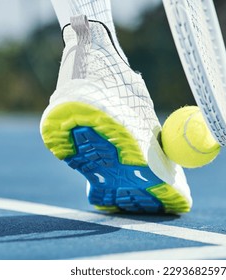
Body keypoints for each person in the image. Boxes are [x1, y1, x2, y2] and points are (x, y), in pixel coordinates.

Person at [40, 0, 192, 214]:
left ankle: (84, 52)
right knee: (90, 33)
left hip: (79, 64)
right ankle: (98, 53)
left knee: (83, 32)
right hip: (98, 62)